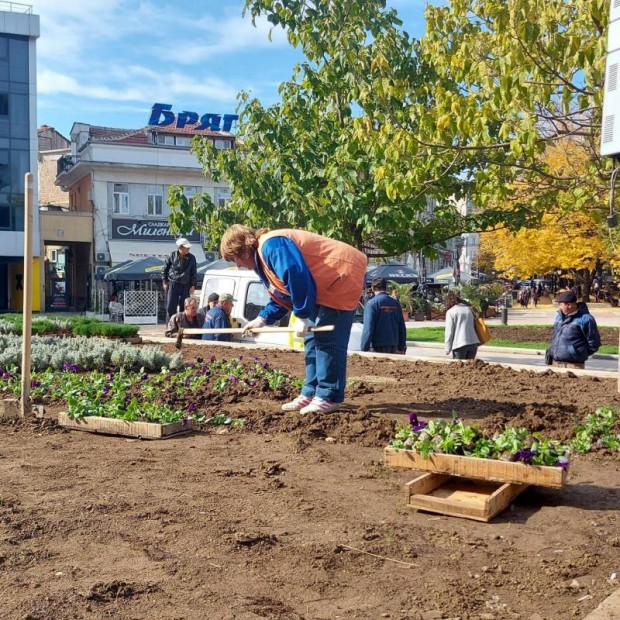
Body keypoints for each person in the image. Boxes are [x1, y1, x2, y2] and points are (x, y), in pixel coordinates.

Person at [220, 224, 367, 414]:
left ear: (243, 249)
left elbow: (296, 276)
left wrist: (303, 314)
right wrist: (263, 318)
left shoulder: (272, 246)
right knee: (312, 339)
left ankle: (329, 395)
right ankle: (311, 392)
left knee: (327, 339)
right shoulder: (263, 260)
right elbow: (283, 293)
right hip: (325, 285)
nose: (238, 264)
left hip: (341, 275)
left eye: (235, 258)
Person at [547, 290, 600, 369]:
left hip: (574, 365)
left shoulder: (586, 319)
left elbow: (594, 343)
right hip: (555, 363)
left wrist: (578, 354)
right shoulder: (559, 316)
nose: (559, 307)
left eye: (561, 304)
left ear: (569, 305)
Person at [360, 278, 407, 354]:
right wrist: (402, 346)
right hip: (394, 344)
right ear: (385, 288)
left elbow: (368, 328)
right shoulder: (395, 303)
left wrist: (364, 348)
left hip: (377, 345)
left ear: (373, 288)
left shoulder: (371, 304)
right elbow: (401, 326)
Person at [162, 238, 197, 322]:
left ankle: (182, 326)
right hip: (173, 283)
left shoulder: (192, 258)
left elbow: (194, 272)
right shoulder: (171, 255)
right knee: (171, 307)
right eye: (186, 247)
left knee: (184, 306)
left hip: (186, 284)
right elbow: (164, 270)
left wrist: (193, 285)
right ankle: (170, 327)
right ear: (180, 247)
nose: (188, 249)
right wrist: (164, 282)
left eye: (188, 247)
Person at [444, 291, 480, 360]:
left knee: (459, 368)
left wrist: (447, 348)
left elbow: (449, 331)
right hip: (473, 343)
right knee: (470, 368)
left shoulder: (451, 312)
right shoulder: (469, 309)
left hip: (459, 344)